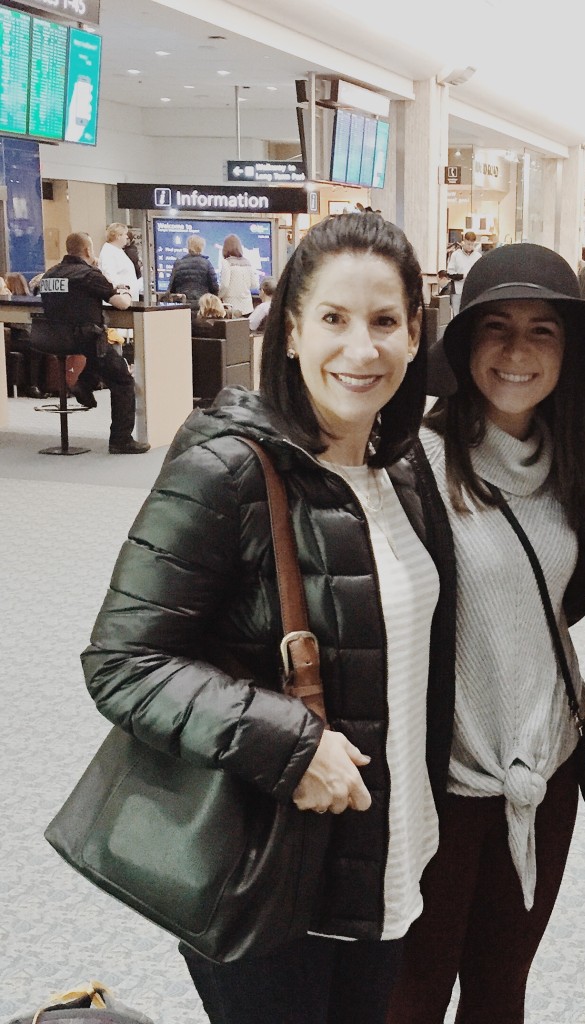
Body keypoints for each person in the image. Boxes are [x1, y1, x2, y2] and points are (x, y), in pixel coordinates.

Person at [79, 213, 457, 1024]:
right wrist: (292, 745)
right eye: (334, 319)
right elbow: (122, 661)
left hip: (382, 856)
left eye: (385, 322)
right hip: (266, 867)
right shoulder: (227, 467)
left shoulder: (404, 467)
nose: (362, 350)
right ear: (290, 332)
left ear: (415, 333)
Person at [387, 243, 585, 1024]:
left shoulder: (574, 463)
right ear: (463, 345)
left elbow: (563, 601)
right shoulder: (412, 466)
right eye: (497, 328)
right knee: (413, 996)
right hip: (442, 788)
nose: (518, 352)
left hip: (544, 776)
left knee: (500, 992)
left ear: (569, 349)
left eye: (542, 330)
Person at [38, 232, 149, 454]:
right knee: (122, 378)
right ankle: (121, 440)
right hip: (85, 338)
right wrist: (125, 291)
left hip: (52, 340)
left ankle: (83, 385)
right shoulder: (89, 275)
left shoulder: (49, 275)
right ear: (88, 251)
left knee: (100, 360)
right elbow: (121, 304)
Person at [2, 272, 47, 398]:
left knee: (35, 347)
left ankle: (34, 385)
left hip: (19, 337)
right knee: (35, 347)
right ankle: (33, 385)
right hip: (16, 337)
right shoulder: (29, 303)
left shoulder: (14, 304)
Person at [168, 235, 219, 307]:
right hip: (202, 305)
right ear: (201, 247)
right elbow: (214, 288)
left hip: (182, 305)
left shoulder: (178, 263)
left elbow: (171, 288)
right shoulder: (206, 264)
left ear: (188, 246)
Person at [97, 222, 141, 301]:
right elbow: (109, 274)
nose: (127, 237)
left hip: (128, 298)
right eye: (125, 234)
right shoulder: (109, 252)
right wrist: (121, 288)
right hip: (121, 299)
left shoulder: (117, 250)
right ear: (118, 236)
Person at [218, 233, 259, 314]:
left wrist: (218, 297)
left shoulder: (226, 263)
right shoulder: (247, 262)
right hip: (248, 307)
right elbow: (254, 284)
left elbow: (225, 285)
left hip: (232, 306)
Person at [446, 231, 482, 315]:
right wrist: (463, 276)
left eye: (472, 245)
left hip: (472, 291)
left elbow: (481, 274)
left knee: (471, 314)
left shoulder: (478, 257)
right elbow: (449, 273)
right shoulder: (456, 255)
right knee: (457, 314)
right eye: (468, 244)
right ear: (464, 242)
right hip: (458, 291)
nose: (470, 247)